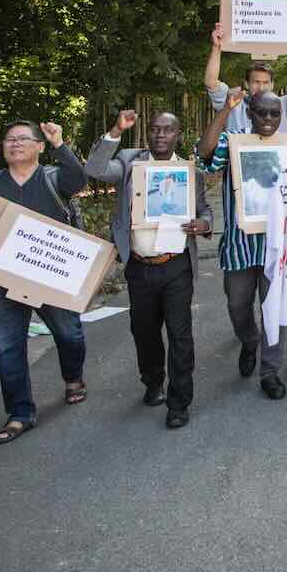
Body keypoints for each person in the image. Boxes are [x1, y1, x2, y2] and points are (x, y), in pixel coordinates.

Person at [85, 110, 212, 429]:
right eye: (155, 129)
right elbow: (95, 169)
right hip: (139, 267)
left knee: (180, 334)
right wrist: (116, 130)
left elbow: (205, 210)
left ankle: (179, 402)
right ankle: (153, 381)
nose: (160, 135)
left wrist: (204, 224)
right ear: (148, 132)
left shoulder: (189, 171)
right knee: (144, 331)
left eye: (168, 130)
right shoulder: (130, 163)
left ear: (178, 135)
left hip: (176, 266)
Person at [0, 121, 88, 444]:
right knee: (8, 348)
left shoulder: (52, 177)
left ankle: (73, 377)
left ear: (39, 146)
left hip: (51, 275)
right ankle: (20, 413)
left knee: (70, 334)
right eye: (9, 139)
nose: (15, 143)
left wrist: (60, 143)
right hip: (3, 278)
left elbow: (79, 179)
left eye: (23, 138)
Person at [197, 89, 287, 400]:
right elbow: (205, 155)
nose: (269, 119)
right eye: (262, 112)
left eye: (275, 113)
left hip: (278, 247)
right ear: (249, 113)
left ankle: (270, 371)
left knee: (276, 311)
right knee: (237, 306)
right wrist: (224, 110)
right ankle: (248, 340)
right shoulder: (233, 141)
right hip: (240, 247)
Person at [203, 23, 287, 134]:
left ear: (272, 84)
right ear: (246, 84)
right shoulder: (232, 104)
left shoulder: (284, 105)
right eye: (256, 82)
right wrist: (216, 47)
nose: (261, 87)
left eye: (266, 82)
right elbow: (211, 83)